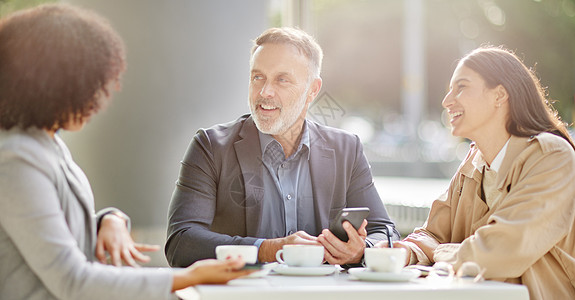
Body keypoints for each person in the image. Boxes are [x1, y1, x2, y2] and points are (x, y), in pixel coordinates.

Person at [0, 4, 253, 300]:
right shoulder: (16, 160)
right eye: (87, 88)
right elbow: (71, 280)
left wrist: (109, 220)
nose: (96, 102)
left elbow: (48, 226)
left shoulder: (44, 142)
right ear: (51, 85)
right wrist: (187, 277)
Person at [165, 27, 399, 268]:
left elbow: (385, 232)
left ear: (313, 90)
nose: (265, 92)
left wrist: (361, 251)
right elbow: (181, 243)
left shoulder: (347, 149)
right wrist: (266, 249)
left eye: (282, 79)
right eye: (258, 77)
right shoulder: (211, 147)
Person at [376, 46, 575, 300]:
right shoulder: (472, 164)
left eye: (461, 87)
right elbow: (433, 234)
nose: (447, 101)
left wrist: (442, 252)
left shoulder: (551, 156)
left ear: (499, 95)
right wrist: (404, 251)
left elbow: (502, 249)